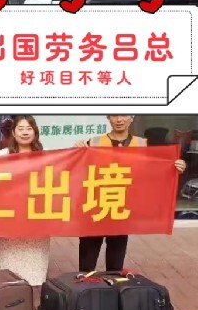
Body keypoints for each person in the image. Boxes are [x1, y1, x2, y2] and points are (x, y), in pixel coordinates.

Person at [74, 115, 186, 272]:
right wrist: (76, 150)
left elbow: (155, 171)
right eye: (114, 115)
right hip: (95, 208)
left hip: (121, 208)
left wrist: (175, 167)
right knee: (87, 262)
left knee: (115, 264)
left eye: (124, 115)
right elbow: (76, 168)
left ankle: (113, 286)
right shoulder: (93, 142)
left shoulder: (143, 144)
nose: (119, 120)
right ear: (108, 118)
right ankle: (86, 286)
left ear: (132, 118)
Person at [0, 116, 50, 305]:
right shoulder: (3, 155)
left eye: (29, 128)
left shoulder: (45, 156)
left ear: (35, 132)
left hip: (35, 225)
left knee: (34, 279)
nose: (25, 132)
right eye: (20, 128)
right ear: (13, 133)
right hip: (9, 224)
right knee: (8, 277)